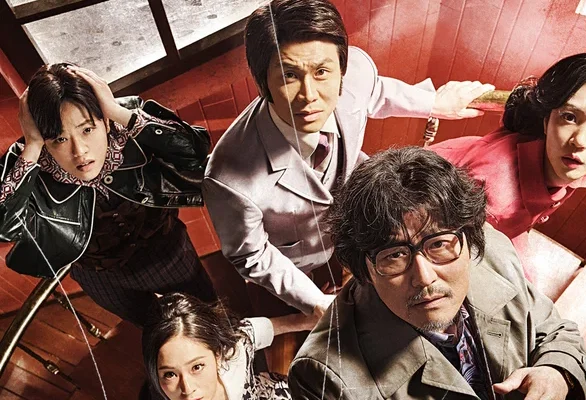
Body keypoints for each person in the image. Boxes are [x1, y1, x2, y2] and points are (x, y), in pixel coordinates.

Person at [203, 0, 494, 319]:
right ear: (263, 83)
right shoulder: (227, 178)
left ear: (341, 70)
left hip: (352, 228)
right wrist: (316, 303)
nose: (309, 95)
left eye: (322, 72)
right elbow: (252, 254)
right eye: (289, 75)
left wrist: (433, 103)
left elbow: (378, 92)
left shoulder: (357, 72)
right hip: (296, 260)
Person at [288, 147, 586, 400]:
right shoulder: (323, 376)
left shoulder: (492, 250)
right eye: (394, 255)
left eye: (438, 244)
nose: (424, 277)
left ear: (469, 238)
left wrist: (556, 372)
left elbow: (554, 329)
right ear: (364, 269)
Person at [0, 64, 217, 326]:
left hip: (166, 251)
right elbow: (4, 227)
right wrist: (33, 146)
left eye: (87, 130)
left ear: (104, 121)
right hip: (99, 275)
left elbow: (194, 151)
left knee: (209, 318)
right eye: (59, 139)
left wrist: (118, 112)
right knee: (153, 329)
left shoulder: (125, 122)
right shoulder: (30, 161)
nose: (79, 151)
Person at [429, 52, 586, 280]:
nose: (580, 141)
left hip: (502, 223)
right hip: (442, 219)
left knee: (528, 279)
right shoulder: (495, 195)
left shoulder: (552, 148)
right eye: (569, 117)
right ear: (546, 120)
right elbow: (442, 256)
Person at [142, 292, 316, 400]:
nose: (187, 389)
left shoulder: (235, 354)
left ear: (218, 355)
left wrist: (305, 320)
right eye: (170, 374)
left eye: (197, 367)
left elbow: (254, 330)